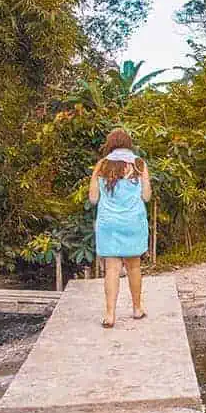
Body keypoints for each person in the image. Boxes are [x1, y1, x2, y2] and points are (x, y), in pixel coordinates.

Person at [88, 128, 152, 328]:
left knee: (112, 269)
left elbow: (93, 198)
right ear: (128, 143)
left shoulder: (102, 165)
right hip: (133, 222)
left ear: (110, 144)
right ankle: (137, 308)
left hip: (109, 224)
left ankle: (109, 315)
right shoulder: (139, 164)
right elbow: (147, 196)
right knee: (134, 267)